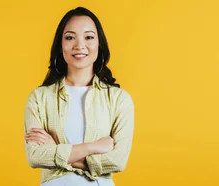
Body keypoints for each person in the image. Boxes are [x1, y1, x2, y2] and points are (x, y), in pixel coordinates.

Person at [23, 7, 135, 186]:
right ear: (60, 45)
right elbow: (35, 156)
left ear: (100, 44)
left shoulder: (118, 99)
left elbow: (117, 161)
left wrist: (55, 150)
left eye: (89, 37)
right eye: (70, 37)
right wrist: (92, 147)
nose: (79, 45)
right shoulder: (40, 98)